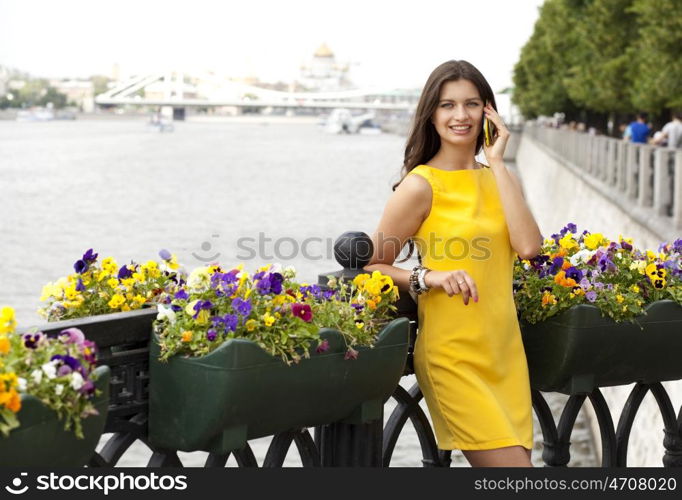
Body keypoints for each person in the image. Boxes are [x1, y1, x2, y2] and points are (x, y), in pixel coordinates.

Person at [364, 60, 542, 467]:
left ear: (488, 112)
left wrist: (497, 162)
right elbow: (372, 265)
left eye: (472, 104)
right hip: (453, 356)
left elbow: (530, 247)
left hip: (506, 352)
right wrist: (430, 277)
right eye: (447, 105)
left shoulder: (496, 177)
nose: (460, 116)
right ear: (431, 113)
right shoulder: (420, 185)